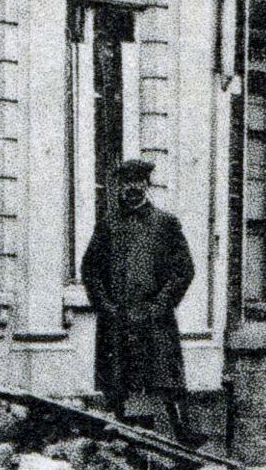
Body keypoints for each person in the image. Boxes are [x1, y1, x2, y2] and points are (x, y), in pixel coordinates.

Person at [79, 158, 196, 444]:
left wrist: (160, 305)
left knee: (165, 377)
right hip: (117, 318)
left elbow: (184, 270)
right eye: (126, 183)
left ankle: (181, 434)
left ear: (147, 185)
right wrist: (105, 307)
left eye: (137, 182)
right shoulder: (108, 225)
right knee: (117, 379)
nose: (132, 188)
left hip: (154, 318)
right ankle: (118, 436)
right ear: (119, 187)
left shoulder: (166, 224)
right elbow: (90, 269)